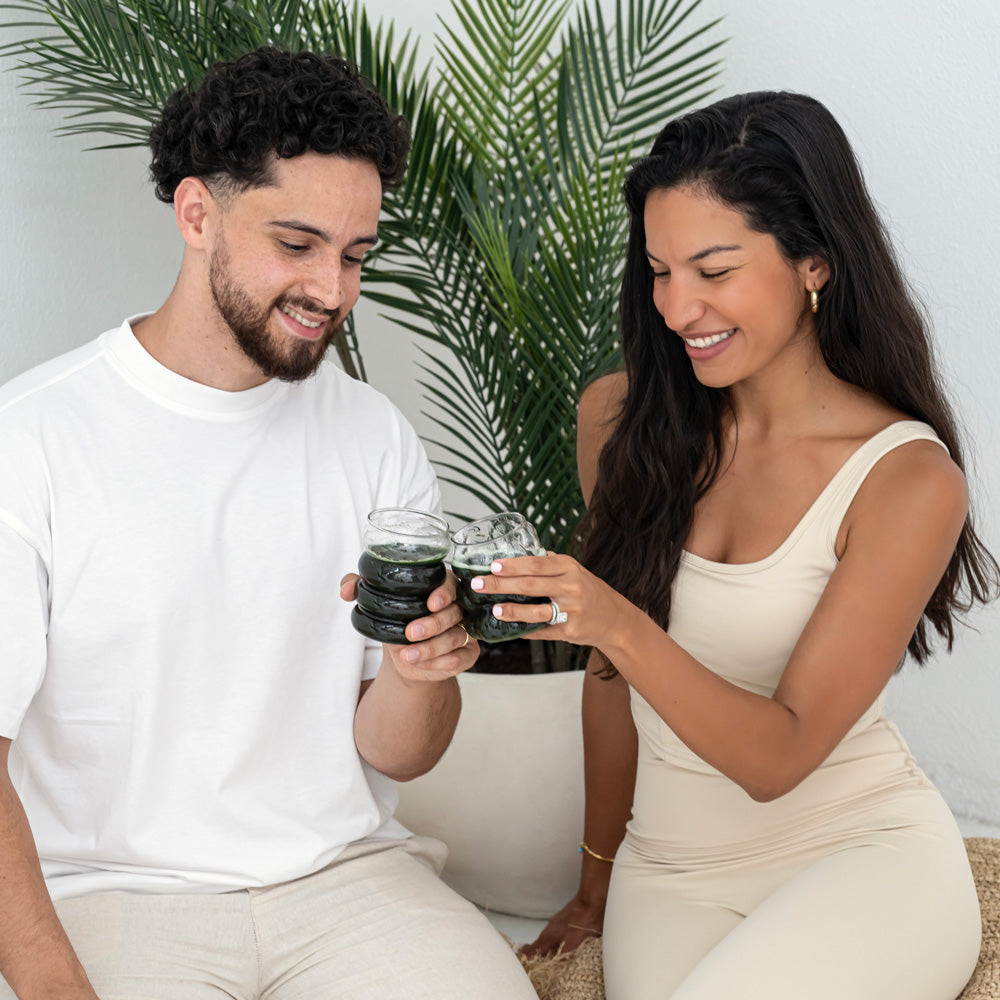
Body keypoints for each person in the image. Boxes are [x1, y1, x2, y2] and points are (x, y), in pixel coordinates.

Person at [0, 46, 536, 1000]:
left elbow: (397, 750)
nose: (334, 291)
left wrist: (422, 671)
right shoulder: (34, 439)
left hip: (346, 878)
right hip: (113, 896)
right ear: (198, 212)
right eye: (297, 245)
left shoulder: (372, 435)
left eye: (355, 255)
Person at [470, 91, 999, 999]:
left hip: (858, 855)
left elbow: (778, 756)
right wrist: (595, 887)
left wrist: (615, 624)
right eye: (659, 271)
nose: (678, 309)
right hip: (671, 875)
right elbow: (609, 686)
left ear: (814, 265)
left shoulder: (906, 480)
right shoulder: (620, 419)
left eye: (713, 270)